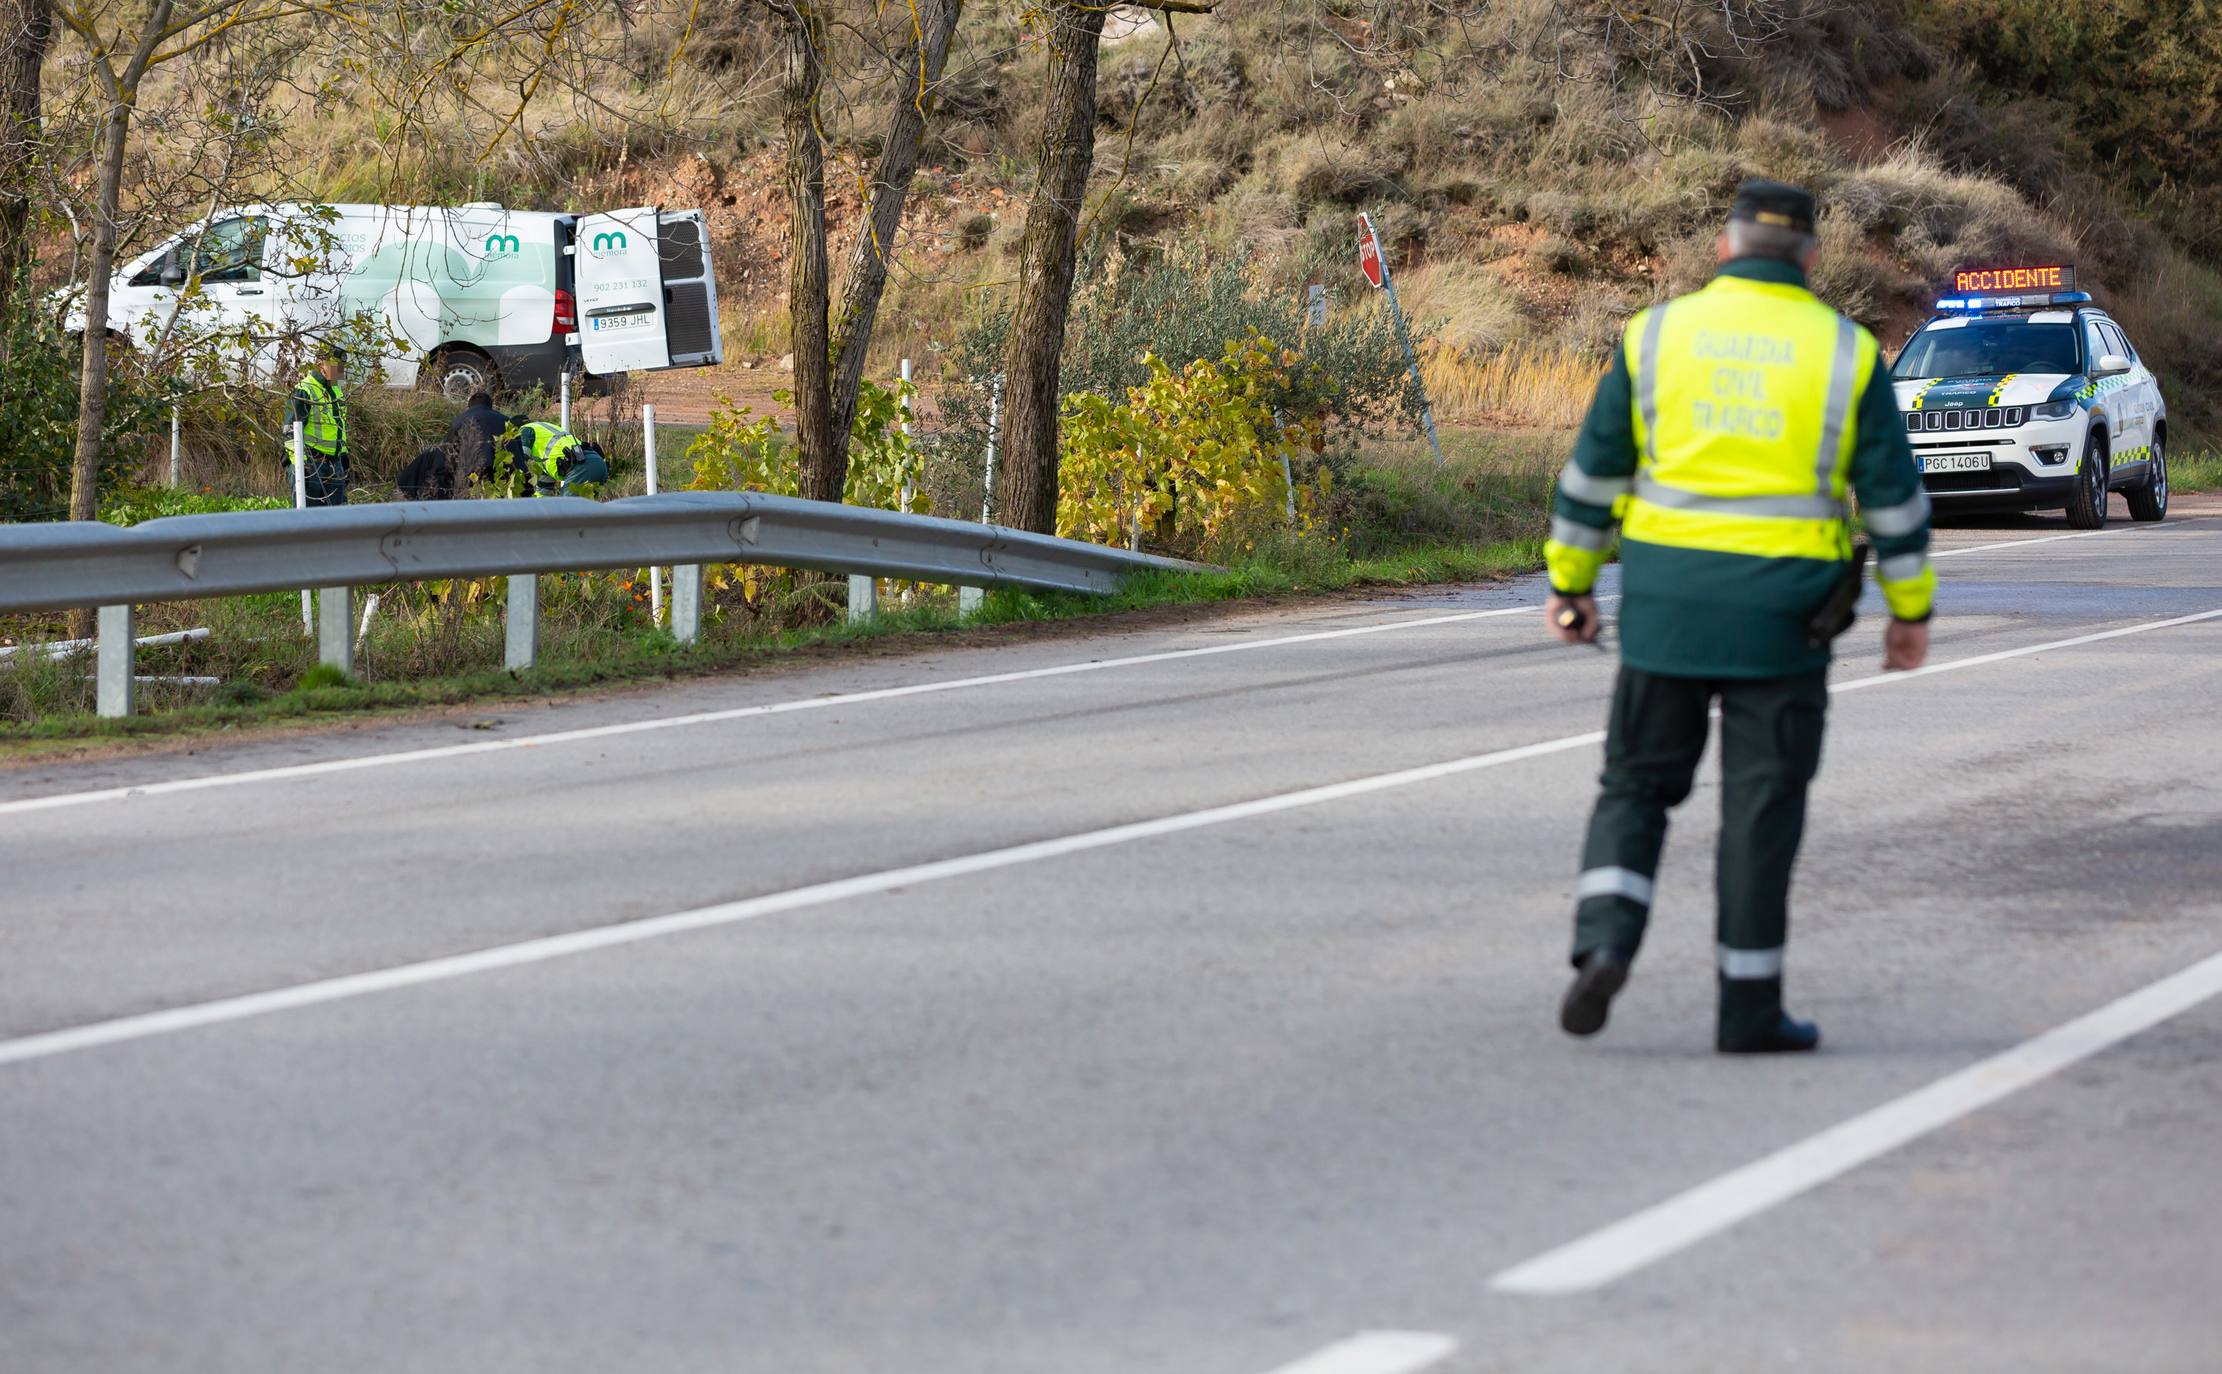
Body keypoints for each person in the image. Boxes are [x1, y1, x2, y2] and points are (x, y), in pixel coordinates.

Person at [1542, 180, 1935, 1054]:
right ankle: (1748, 1009)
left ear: (1724, 247)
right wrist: (1910, 610)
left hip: (1665, 613)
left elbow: (1591, 479)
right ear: (1811, 256)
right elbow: (1894, 501)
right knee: (1762, 810)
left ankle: (1605, 940)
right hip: (1785, 623)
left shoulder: (1654, 338)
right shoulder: (1847, 353)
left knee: (1634, 786)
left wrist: (1570, 585)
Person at [286, 343, 350, 507]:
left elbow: (338, 427)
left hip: (335, 465)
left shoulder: (337, 389)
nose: (340, 371)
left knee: (337, 522)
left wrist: (343, 457)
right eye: (336, 366)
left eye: (342, 367)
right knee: (308, 522)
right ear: (321, 364)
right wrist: (300, 466)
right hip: (311, 465)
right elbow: (289, 432)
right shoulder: (304, 389)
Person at [502, 414, 610, 495]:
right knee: (589, 515)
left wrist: (506, 476)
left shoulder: (525, 429)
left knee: (567, 512)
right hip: (597, 464)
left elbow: (521, 457)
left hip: (581, 467)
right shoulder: (547, 456)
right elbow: (544, 491)